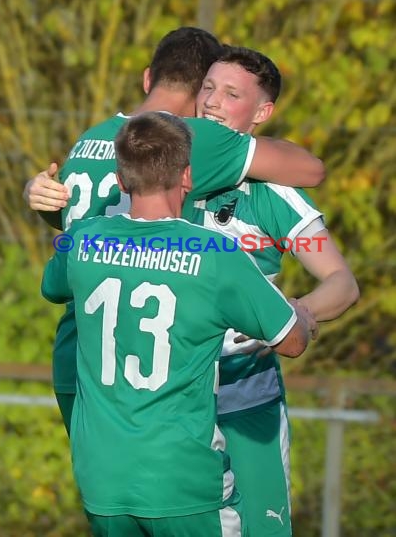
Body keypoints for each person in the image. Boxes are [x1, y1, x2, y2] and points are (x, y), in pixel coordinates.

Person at [24, 27, 325, 434]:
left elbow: (75, 232)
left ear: (149, 79)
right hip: (142, 360)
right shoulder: (188, 141)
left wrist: (34, 193)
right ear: (199, 88)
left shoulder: (89, 139)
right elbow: (312, 168)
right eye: (210, 88)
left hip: (79, 348)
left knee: (105, 488)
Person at [41, 112, 314, 537]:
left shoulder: (82, 239)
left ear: (120, 178)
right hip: (185, 481)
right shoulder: (213, 253)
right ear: (186, 176)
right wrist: (304, 315)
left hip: (102, 478)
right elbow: (292, 341)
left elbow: (54, 287)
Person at [187, 45, 359, 536]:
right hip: (171, 396)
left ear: (262, 113)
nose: (212, 102)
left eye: (231, 93)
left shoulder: (272, 193)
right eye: (208, 88)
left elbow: (341, 283)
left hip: (246, 389)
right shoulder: (161, 174)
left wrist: (293, 312)